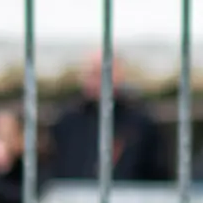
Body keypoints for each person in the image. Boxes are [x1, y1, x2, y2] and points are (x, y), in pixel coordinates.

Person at [45, 51, 169, 183]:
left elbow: (157, 174)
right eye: (89, 73)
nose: (93, 80)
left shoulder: (141, 122)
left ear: (118, 75)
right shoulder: (66, 121)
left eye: (99, 74)